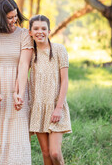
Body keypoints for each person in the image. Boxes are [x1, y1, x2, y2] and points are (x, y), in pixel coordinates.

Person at [0, 0, 33, 165]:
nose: (14, 20)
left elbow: (24, 64)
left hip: (18, 83)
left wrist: (19, 93)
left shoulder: (24, 34)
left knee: (17, 129)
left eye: (15, 16)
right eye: (9, 17)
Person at [28, 15, 72, 165]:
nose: (40, 32)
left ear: (49, 31)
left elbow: (65, 80)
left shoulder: (59, 50)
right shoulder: (30, 53)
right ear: (30, 32)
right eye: (36, 28)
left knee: (54, 152)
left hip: (55, 106)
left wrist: (59, 108)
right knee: (46, 153)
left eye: (43, 28)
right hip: (38, 107)